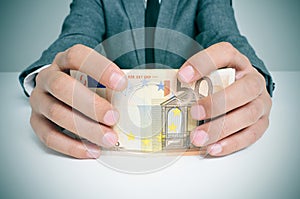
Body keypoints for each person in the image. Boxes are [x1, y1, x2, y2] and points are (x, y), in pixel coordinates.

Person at [19, 0, 274, 159]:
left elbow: (224, 33)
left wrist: (252, 77)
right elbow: (75, 37)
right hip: (117, 123)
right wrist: (49, 77)